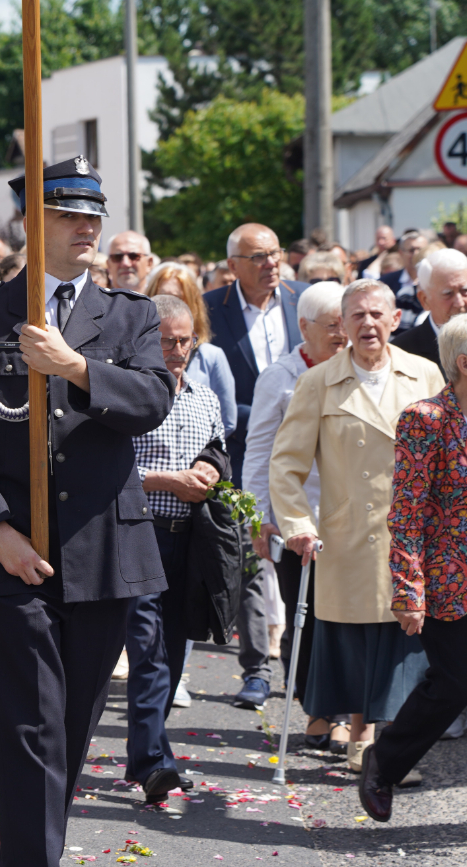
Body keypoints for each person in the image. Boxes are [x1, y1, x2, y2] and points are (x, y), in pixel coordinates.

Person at [0, 157, 173, 865]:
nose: (87, 225)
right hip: (16, 554)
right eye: (69, 213)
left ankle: (39, 846)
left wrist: (75, 367)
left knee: (69, 723)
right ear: (33, 221)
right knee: (30, 722)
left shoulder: (129, 314)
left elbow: (152, 401)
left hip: (104, 551)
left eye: (94, 213)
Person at [270, 278, 443, 779]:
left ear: (395, 320)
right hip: (347, 537)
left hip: (411, 539)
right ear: (342, 326)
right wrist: (298, 525)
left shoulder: (425, 374)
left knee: (405, 646)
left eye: (377, 314)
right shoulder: (318, 381)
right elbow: (286, 465)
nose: (368, 323)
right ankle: (362, 740)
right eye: (357, 316)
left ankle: (388, 749)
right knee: (359, 644)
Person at [361, 313, 467, 820]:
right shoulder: (426, 419)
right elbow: (406, 511)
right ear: (464, 364)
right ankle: (384, 760)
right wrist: (409, 590)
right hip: (448, 580)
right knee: (454, 682)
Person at [124, 295, 228, 803]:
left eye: (185, 340)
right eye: (167, 340)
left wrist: (211, 467)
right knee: (147, 654)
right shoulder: (128, 396)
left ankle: (148, 753)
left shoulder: (204, 396)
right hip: (138, 535)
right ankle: (152, 763)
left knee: (176, 650)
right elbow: (111, 471)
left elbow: (220, 446)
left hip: (188, 539)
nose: (177, 350)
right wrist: (168, 481)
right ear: (147, 340)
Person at [203, 222, 304, 710]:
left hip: (311, 461)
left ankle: (305, 675)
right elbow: (212, 395)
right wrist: (266, 412)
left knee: (302, 567)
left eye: (275, 253)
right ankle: (257, 670)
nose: (270, 263)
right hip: (245, 456)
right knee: (251, 564)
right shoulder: (211, 310)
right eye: (258, 256)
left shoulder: (303, 301)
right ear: (233, 267)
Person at [243, 281, 348, 751]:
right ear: (304, 327)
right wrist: (259, 517)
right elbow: (260, 450)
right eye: (332, 327)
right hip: (297, 518)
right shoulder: (281, 376)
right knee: (303, 615)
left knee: (345, 620)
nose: (344, 335)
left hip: (349, 519)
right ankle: (312, 706)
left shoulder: (359, 371)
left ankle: (343, 711)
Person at [144, 262, 236, 437]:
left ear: (192, 303)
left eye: (178, 298)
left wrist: (204, 458)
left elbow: (227, 421)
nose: (169, 304)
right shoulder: (134, 355)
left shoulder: (211, 356)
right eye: (161, 296)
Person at [391, 247, 467, 375]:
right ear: (424, 300)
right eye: (448, 294)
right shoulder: (403, 352)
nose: (459, 302)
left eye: (465, 291)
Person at [380, 230, 428, 328]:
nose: (416, 254)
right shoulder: (386, 282)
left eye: (420, 250)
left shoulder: (434, 282)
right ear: (401, 253)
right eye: (411, 250)